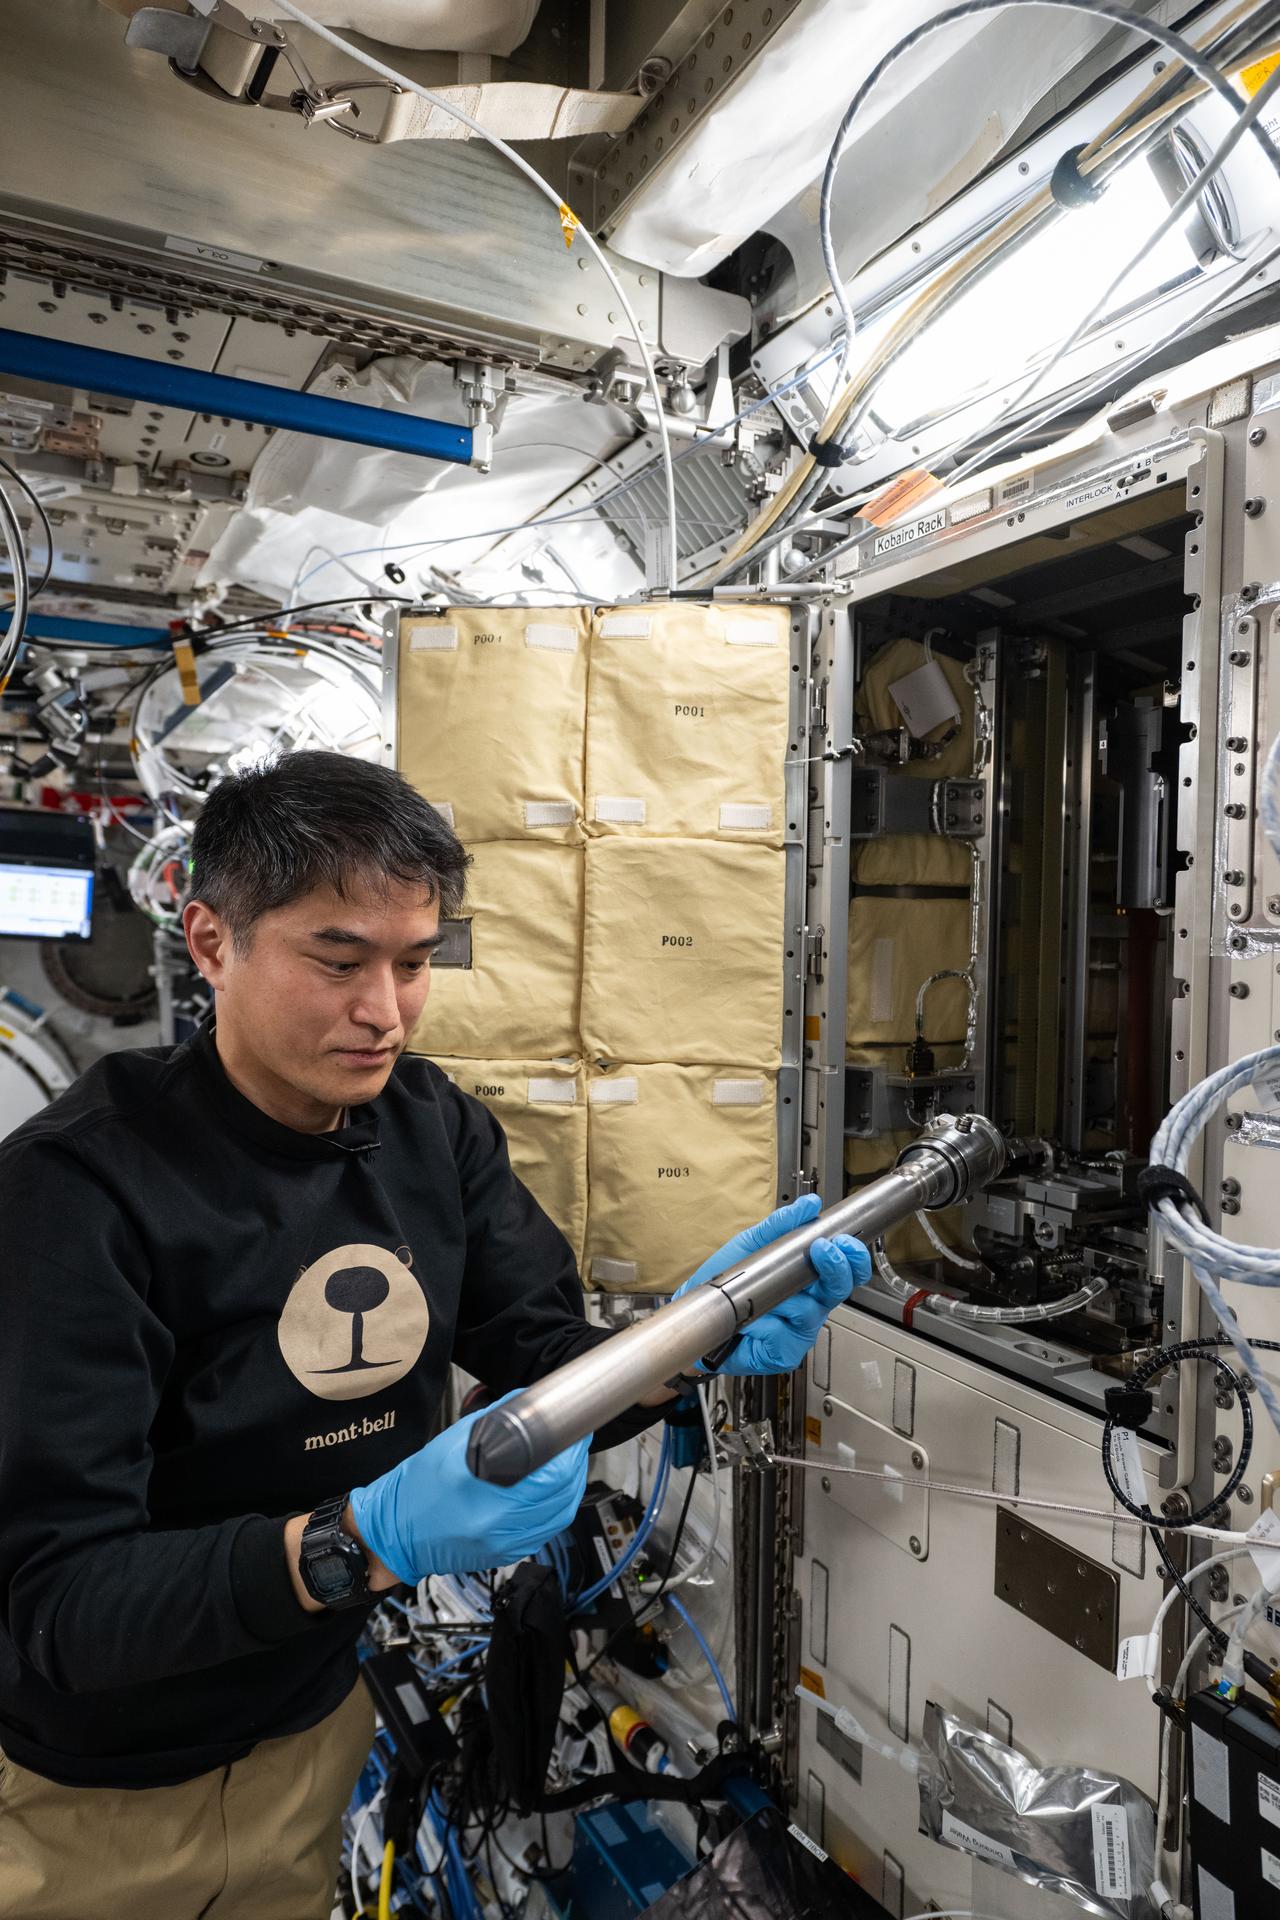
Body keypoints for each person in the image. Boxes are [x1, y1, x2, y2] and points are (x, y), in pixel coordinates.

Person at [0, 750, 869, 1919]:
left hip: (308, 1729)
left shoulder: (428, 1128)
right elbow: (64, 1607)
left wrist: (686, 1346)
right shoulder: (77, 1193)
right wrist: (361, 1541)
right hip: (88, 1789)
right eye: (338, 959)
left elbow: (543, 1358)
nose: (384, 1012)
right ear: (211, 943)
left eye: (415, 963)